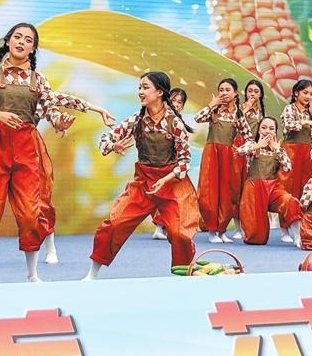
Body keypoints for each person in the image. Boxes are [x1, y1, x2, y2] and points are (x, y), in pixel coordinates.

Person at [0, 22, 113, 284]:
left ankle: (32, 275)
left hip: (27, 145)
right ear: (8, 41)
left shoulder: (38, 79)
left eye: (28, 40)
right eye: (17, 37)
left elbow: (52, 106)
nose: (22, 42)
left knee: (31, 212)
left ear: (33, 48)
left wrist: (63, 121)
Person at [84, 72, 199, 280]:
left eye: (145, 87)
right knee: (114, 224)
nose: (140, 92)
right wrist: (113, 146)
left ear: (160, 92)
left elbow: (185, 161)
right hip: (143, 182)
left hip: (172, 183)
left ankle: (185, 276)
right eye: (139, 87)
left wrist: (166, 179)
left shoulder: (175, 123)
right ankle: (92, 274)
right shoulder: (135, 120)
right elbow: (104, 139)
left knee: (180, 233)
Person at [195, 78, 252, 243]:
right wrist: (211, 104)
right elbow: (197, 118)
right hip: (212, 154)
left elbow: (249, 138)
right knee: (209, 192)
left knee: (227, 193)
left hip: (228, 156)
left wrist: (241, 150)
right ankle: (212, 231)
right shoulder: (214, 110)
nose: (224, 93)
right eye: (221, 90)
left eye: (228, 90)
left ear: (235, 93)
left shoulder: (238, 115)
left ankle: (221, 231)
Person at [235, 117, 302, 245]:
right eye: (264, 127)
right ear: (259, 130)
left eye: (271, 129)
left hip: (272, 188)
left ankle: (298, 237)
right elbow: (239, 151)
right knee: (257, 239)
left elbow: (288, 167)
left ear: (275, 132)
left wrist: (278, 149)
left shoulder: (278, 148)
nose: (267, 131)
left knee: (290, 201)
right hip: (254, 189)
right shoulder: (251, 144)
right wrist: (257, 146)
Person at [278, 79, 312, 242]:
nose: (308, 96)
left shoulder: (308, 113)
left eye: (311, 94)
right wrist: (305, 122)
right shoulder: (290, 108)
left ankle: (301, 225)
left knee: (304, 186)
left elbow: (311, 137)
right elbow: (288, 125)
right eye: (305, 93)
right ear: (296, 93)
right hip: (291, 150)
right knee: (287, 186)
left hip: (305, 151)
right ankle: (284, 229)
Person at [151, 87, 187, 241]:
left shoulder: (178, 121)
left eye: (180, 102)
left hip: (177, 164)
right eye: (173, 100)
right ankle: (160, 227)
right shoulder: (161, 118)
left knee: (175, 197)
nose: (176, 104)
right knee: (166, 195)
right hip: (164, 164)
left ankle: (166, 227)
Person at [232, 79, 266, 240]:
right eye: (250, 91)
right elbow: (232, 125)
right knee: (236, 187)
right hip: (238, 147)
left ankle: (250, 226)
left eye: (256, 91)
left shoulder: (261, 113)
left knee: (248, 188)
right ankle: (237, 227)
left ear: (261, 95)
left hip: (254, 149)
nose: (252, 94)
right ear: (245, 93)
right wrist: (244, 110)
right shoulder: (237, 108)